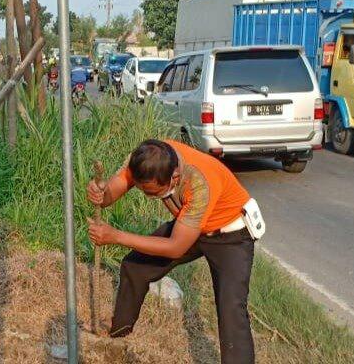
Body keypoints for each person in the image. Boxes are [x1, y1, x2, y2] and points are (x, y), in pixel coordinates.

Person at [87, 139, 258, 364]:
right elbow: (112, 192)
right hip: (189, 224)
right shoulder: (145, 158)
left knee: (231, 309)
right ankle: (119, 333)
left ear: (175, 178)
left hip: (230, 233)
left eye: (153, 192)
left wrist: (116, 236)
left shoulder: (199, 182)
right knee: (135, 267)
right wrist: (102, 194)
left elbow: (176, 248)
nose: (148, 197)